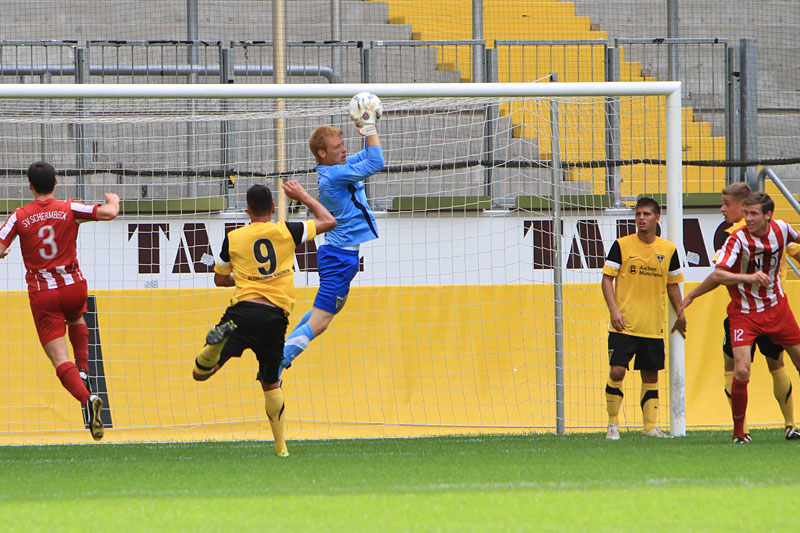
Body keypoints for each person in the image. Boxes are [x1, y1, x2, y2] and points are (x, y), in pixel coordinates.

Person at [192, 181, 336, 457]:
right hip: (274, 317)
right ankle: (281, 448)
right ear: (272, 207)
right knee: (271, 383)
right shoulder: (287, 230)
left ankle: (213, 347)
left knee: (200, 375)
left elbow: (219, 279)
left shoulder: (234, 237)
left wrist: (244, 279)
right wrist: (302, 195)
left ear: (247, 209)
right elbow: (329, 221)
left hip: (242, 313)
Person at [0, 161, 119, 441]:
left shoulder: (19, 216)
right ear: (56, 183)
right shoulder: (69, 207)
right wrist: (113, 200)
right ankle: (84, 369)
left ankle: (87, 398)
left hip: (44, 294)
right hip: (73, 285)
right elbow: (109, 213)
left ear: (30, 186)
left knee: (59, 359)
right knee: (76, 317)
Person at [680, 183, 800, 441]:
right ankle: (740, 432)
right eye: (746, 213)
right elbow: (718, 274)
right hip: (744, 313)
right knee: (741, 369)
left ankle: (790, 425)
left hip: (777, 309)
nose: (748, 218)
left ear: (767, 214)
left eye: (752, 213)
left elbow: (795, 245)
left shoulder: (780, 228)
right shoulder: (734, 237)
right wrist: (692, 296)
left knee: (783, 363)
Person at [280, 94, 384, 373]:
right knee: (321, 322)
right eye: (337, 147)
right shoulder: (336, 175)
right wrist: (369, 127)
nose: (344, 150)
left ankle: (279, 351)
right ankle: (277, 362)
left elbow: (369, 156)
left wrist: (365, 127)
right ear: (322, 154)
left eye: (343, 144)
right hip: (339, 258)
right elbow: (376, 162)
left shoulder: (337, 168)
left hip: (340, 256)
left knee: (323, 313)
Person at [603, 197, 686, 440]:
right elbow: (607, 279)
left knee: (651, 375)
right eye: (638, 214)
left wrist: (681, 313)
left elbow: (672, 285)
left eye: (646, 214)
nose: (641, 218)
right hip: (624, 325)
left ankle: (650, 427)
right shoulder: (622, 245)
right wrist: (614, 311)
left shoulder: (668, 250)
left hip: (652, 326)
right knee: (617, 371)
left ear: (657, 218)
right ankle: (613, 425)